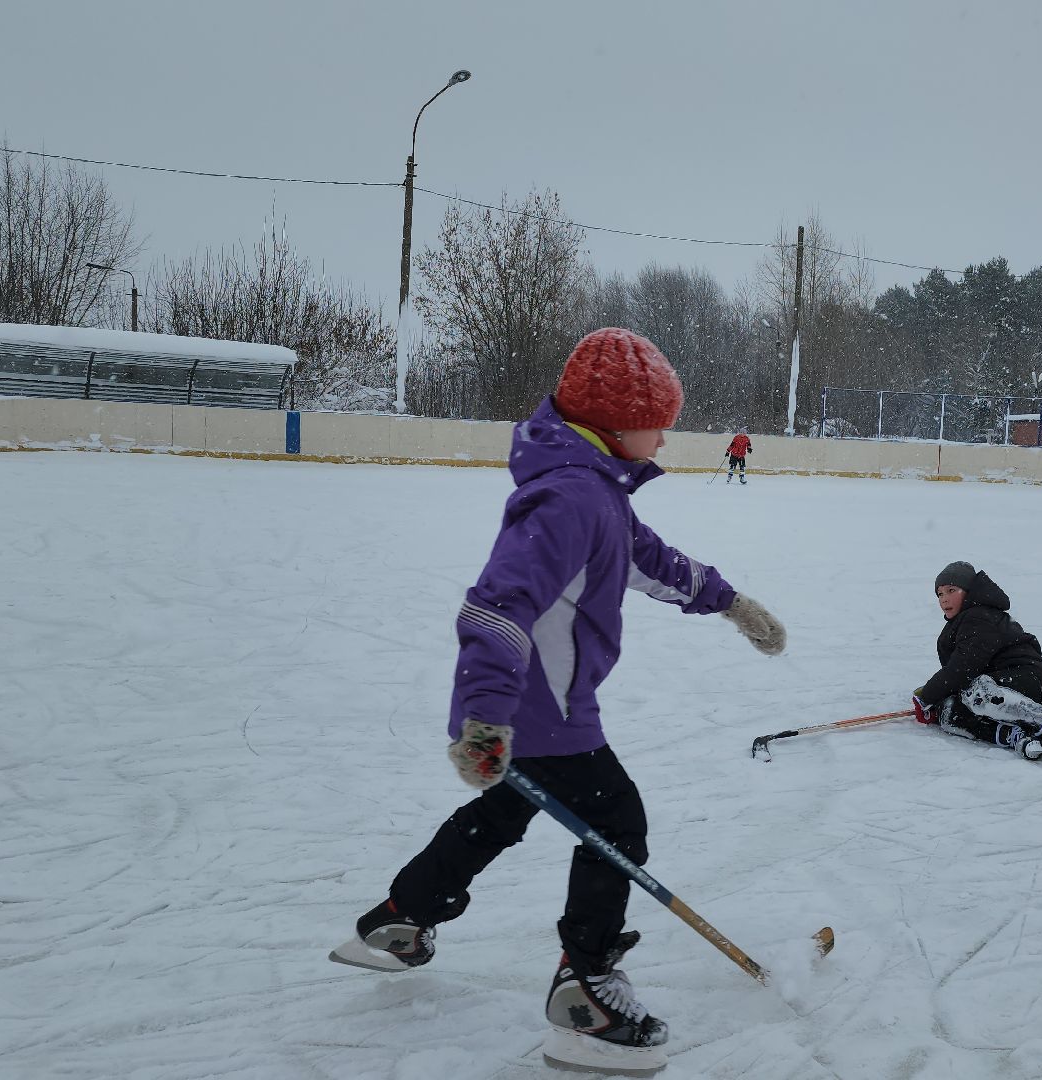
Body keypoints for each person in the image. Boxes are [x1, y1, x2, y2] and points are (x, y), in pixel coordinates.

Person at [330, 328, 787, 1074]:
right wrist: (484, 716)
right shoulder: (570, 498)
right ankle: (587, 995)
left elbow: (653, 562)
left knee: (505, 811)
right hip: (540, 709)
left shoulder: (596, 487)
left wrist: (731, 602)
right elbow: (496, 607)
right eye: (658, 420)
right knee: (617, 819)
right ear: (613, 423)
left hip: (538, 708)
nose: (668, 435)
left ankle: (400, 920)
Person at [911, 561, 1042, 768]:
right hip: (999, 689)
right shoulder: (960, 624)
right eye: (939, 594)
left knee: (978, 691)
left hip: (1029, 679)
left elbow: (962, 668)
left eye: (951, 590)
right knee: (950, 712)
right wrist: (938, 702)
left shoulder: (980, 616)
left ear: (969, 592)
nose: (944, 598)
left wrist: (928, 695)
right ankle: (1013, 734)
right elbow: (959, 676)